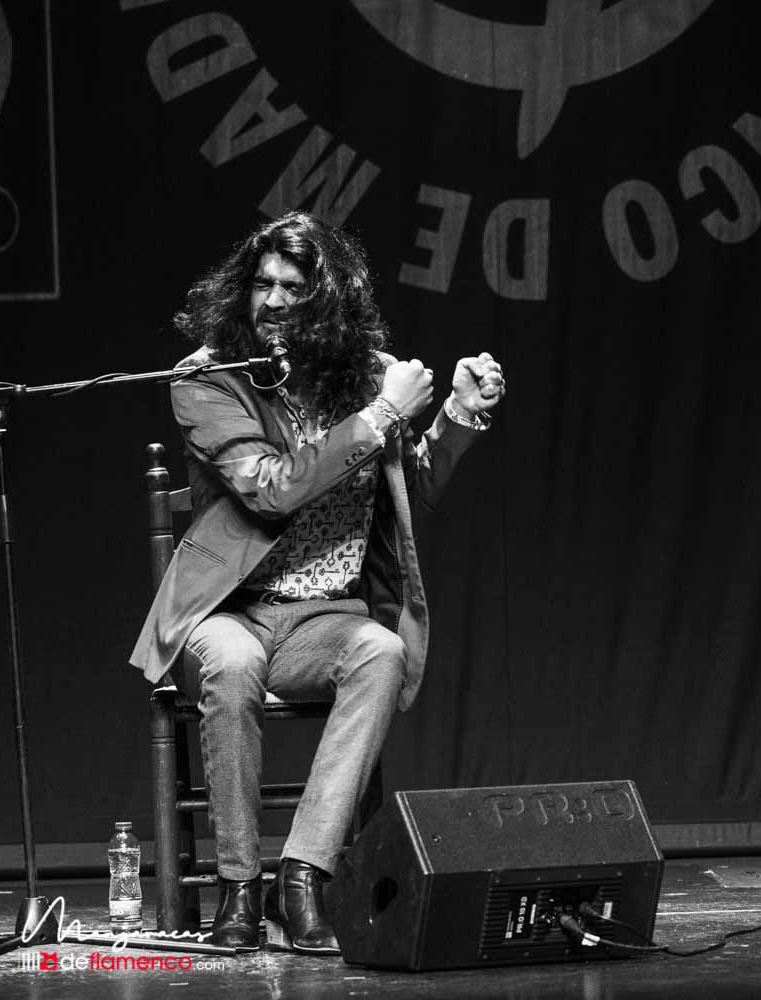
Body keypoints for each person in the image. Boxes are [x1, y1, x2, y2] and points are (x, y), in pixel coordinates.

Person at [129, 211, 506, 953]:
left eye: (292, 287)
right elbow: (270, 489)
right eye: (261, 284)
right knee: (233, 667)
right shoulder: (208, 377)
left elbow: (413, 484)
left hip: (323, 618)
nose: (271, 301)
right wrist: (380, 416)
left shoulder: (368, 375)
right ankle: (240, 885)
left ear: (327, 298)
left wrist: (458, 414)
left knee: (381, 652)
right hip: (227, 610)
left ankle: (299, 876)